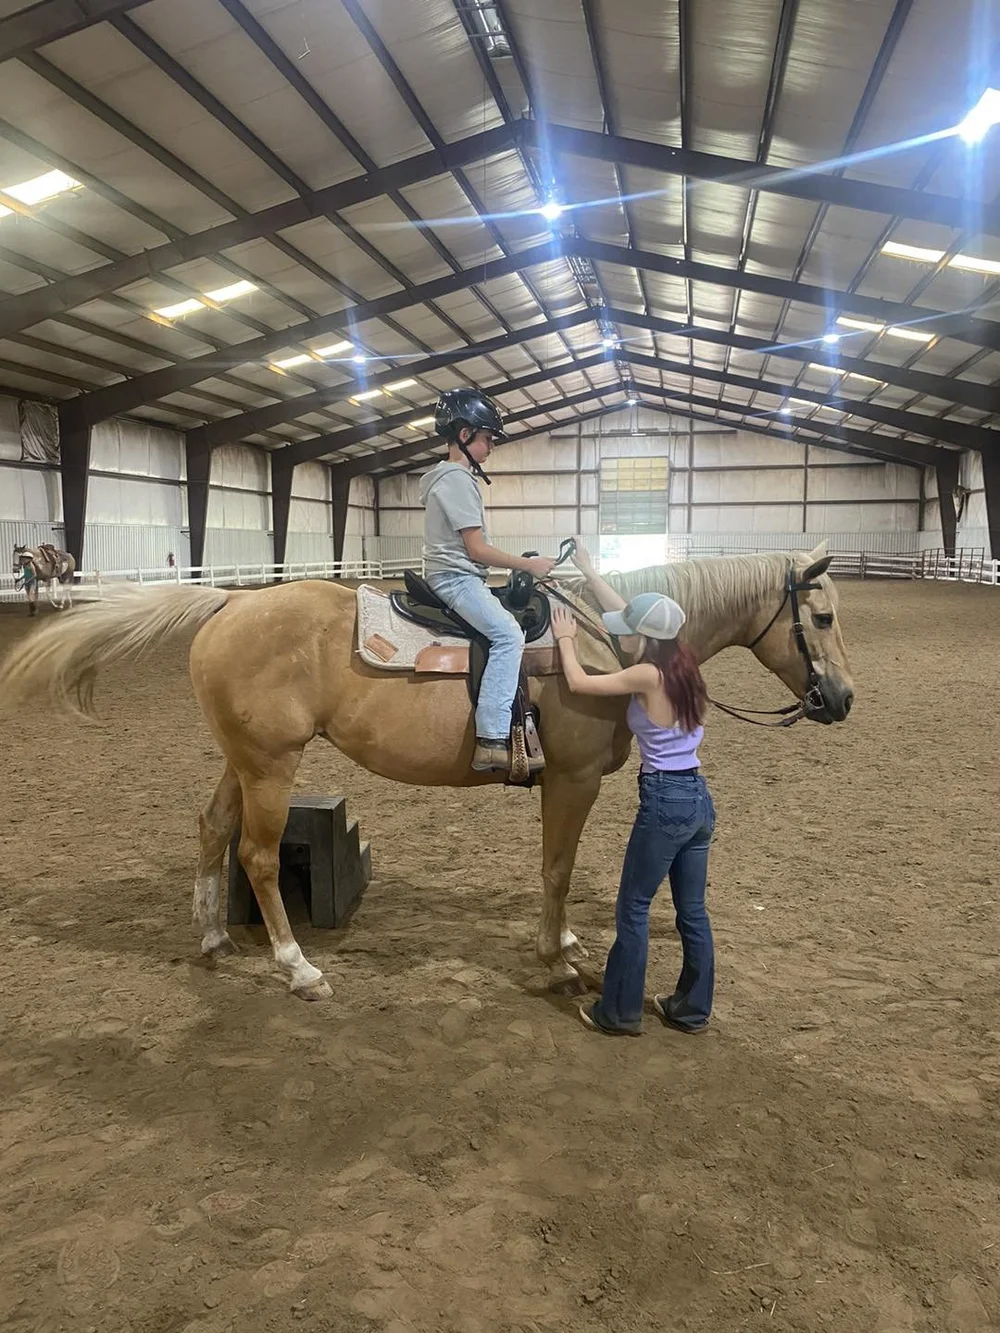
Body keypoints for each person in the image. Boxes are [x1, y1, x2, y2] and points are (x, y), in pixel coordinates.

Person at [551, 542, 715, 1036]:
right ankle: (690, 1009)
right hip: (698, 801)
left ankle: (619, 1013)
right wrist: (588, 571)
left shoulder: (644, 673)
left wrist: (564, 637)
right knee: (693, 913)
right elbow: (627, 614)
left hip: (664, 802)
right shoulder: (683, 664)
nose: (618, 637)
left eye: (628, 635)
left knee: (634, 908)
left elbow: (579, 684)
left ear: (645, 640)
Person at [421, 387, 556, 773]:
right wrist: (528, 565)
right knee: (508, 634)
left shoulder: (445, 479)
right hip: (455, 580)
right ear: (464, 436)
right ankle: (492, 736)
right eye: (487, 438)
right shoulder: (457, 480)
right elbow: (477, 549)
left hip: (457, 575)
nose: (491, 447)